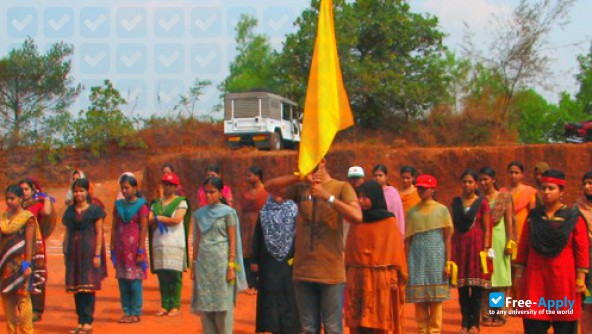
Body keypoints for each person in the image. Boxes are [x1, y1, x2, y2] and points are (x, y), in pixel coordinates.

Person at [264, 158, 362, 334]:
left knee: (332, 327)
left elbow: (357, 216)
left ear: (323, 162)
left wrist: (328, 197)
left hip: (331, 271)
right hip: (303, 270)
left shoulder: (341, 187)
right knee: (308, 328)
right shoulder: (300, 188)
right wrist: (298, 177)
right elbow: (269, 187)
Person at [515, 169, 589, 334]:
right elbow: (524, 247)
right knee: (533, 323)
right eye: (543, 188)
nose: (546, 192)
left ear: (561, 191)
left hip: (563, 281)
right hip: (536, 281)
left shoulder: (573, 218)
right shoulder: (533, 217)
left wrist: (580, 278)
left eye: (551, 188)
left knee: (565, 326)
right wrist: (519, 275)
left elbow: (582, 250)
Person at [345, 180, 408, 334]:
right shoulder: (356, 220)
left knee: (379, 321)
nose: (361, 200)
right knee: (359, 323)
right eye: (359, 197)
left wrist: (393, 277)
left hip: (381, 279)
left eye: (365, 197)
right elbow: (350, 251)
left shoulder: (389, 222)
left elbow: (395, 254)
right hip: (359, 277)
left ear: (375, 197)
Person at [191, 177, 247, 334]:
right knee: (206, 307)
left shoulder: (228, 213)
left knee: (223, 307)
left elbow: (233, 241)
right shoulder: (199, 214)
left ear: (221, 192)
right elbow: (197, 241)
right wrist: (194, 266)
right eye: (206, 192)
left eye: (212, 192)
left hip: (222, 266)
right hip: (204, 265)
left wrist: (231, 266)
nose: (208, 195)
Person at [405, 174, 452, 334]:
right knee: (419, 298)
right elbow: (407, 240)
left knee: (436, 299)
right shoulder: (412, 213)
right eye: (419, 188)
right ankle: (422, 330)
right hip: (416, 258)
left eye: (424, 188)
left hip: (437, 259)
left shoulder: (442, 210)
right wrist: (405, 262)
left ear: (433, 189)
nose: (421, 191)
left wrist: (448, 262)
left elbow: (447, 238)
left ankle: (434, 330)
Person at [251, 195, 301, 334]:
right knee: (271, 301)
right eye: (275, 193)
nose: (278, 196)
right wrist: (254, 261)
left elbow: (300, 237)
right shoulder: (264, 212)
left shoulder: (294, 211)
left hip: (289, 264)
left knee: (290, 299)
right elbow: (257, 238)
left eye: (282, 193)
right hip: (268, 265)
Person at [62, 178, 107, 334]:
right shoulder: (69, 211)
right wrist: (65, 251)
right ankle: (80, 321)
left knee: (88, 288)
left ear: (87, 192)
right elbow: (67, 232)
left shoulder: (95, 210)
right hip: (74, 253)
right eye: (76, 191)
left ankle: (88, 322)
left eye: (81, 191)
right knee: (77, 288)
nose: (78, 194)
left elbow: (99, 233)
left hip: (89, 253)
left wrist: (97, 255)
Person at [0, 185, 46, 334]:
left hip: (21, 266)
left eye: (12, 198)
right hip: (6, 267)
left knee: (24, 301)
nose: (9, 201)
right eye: (7, 198)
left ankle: (27, 331)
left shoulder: (27, 218)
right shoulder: (3, 218)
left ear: (20, 199)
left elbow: (29, 243)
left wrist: (27, 265)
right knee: (8, 302)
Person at [451, 170, 491, 334]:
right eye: (464, 182)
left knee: (476, 288)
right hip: (460, 248)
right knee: (462, 288)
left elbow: (487, 228)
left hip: (477, 247)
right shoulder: (455, 202)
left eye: (470, 182)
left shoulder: (482, 203)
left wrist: (487, 249)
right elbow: (452, 227)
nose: (467, 185)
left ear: (475, 184)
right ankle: (464, 323)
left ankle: (475, 324)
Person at [148, 172, 190, 317]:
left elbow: (178, 219)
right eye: (165, 184)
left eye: (170, 185)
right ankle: (165, 304)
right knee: (162, 275)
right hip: (159, 242)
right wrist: (160, 218)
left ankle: (176, 305)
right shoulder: (156, 203)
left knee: (175, 275)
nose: (167, 187)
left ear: (175, 187)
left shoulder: (181, 202)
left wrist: (159, 218)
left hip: (175, 242)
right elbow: (149, 219)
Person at [478, 167, 514, 327]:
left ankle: (497, 314)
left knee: (498, 278)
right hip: (483, 241)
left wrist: (510, 242)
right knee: (486, 278)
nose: (483, 182)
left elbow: (509, 221)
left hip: (499, 240)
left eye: (486, 179)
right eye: (481, 180)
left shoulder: (504, 197)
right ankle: (485, 314)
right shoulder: (478, 199)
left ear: (493, 179)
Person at [111, 173, 149, 324]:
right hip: (121, 248)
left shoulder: (142, 205)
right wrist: (112, 248)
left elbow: (144, 229)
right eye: (122, 188)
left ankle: (136, 312)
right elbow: (114, 228)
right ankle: (126, 311)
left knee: (134, 281)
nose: (124, 191)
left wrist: (140, 250)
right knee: (123, 281)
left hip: (134, 249)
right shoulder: (118, 205)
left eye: (127, 187)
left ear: (134, 188)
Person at [19, 177, 53, 322]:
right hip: (20, 246)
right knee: (21, 277)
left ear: (33, 190)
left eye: (26, 189)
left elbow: (46, 213)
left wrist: (45, 198)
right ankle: (24, 309)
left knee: (36, 276)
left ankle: (37, 310)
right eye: (21, 190)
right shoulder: (17, 204)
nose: (24, 192)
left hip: (36, 246)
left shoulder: (38, 204)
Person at [239, 165, 268, 292]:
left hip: (260, 223)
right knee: (247, 251)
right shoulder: (246, 192)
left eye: (249, 175)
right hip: (246, 225)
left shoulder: (266, 191)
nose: (247, 178)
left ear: (258, 176)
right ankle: (249, 282)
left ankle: (259, 282)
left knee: (259, 250)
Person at [574, 171, 592, 334]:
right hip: (586, 258)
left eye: (590, 183)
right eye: (585, 183)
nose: (587, 187)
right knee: (587, 301)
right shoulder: (577, 207)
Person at [501, 161, 536, 245]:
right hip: (506, 230)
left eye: (516, 173)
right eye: (511, 173)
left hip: (524, 230)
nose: (513, 175)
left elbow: (533, 214)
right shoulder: (502, 192)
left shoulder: (529, 191)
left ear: (522, 175)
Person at [373, 164, 406, 237]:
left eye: (380, 175)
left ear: (386, 177)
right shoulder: (371, 192)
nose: (377, 178)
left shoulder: (392, 193)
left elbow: (398, 214)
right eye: (375, 176)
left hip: (391, 231)